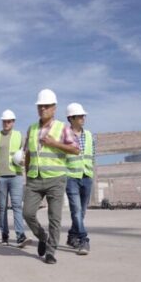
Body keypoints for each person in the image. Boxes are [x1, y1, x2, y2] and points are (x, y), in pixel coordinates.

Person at [23, 89, 80, 264]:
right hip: (34, 178)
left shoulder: (62, 127)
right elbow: (27, 154)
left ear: (54, 108)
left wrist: (54, 143)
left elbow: (76, 149)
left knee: (54, 217)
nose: (43, 109)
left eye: (46, 106)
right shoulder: (32, 128)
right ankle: (42, 236)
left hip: (56, 178)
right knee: (27, 213)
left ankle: (51, 251)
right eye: (40, 106)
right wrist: (27, 175)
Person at [0, 109, 30, 247]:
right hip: (0, 177)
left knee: (17, 206)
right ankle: (4, 236)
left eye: (9, 121)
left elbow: (25, 154)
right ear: (2, 122)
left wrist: (24, 162)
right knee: (2, 208)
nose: (6, 123)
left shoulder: (20, 136)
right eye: (4, 121)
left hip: (16, 176)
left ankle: (20, 236)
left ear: (13, 122)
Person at [65, 103, 95, 255]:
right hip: (71, 177)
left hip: (87, 176)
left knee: (81, 212)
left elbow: (92, 155)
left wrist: (91, 172)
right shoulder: (64, 135)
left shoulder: (89, 135)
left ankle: (71, 236)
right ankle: (83, 240)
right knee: (76, 211)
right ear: (71, 118)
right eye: (80, 115)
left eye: (84, 115)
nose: (84, 117)